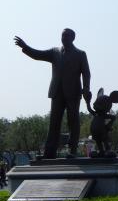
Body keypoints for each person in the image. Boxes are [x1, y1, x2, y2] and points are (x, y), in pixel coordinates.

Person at [14, 30, 91, 159]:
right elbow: (38, 54)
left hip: (73, 92)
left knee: (73, 121)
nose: (63, 38)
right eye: (62, 35)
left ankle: (73, 150)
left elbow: (86, 73)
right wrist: (25, 47)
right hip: (57, 92)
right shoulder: (54, 52)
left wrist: (86, 87)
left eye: (66, 36)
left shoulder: (80, 54)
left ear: (73, 38)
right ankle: (49, 153)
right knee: (54, 122)